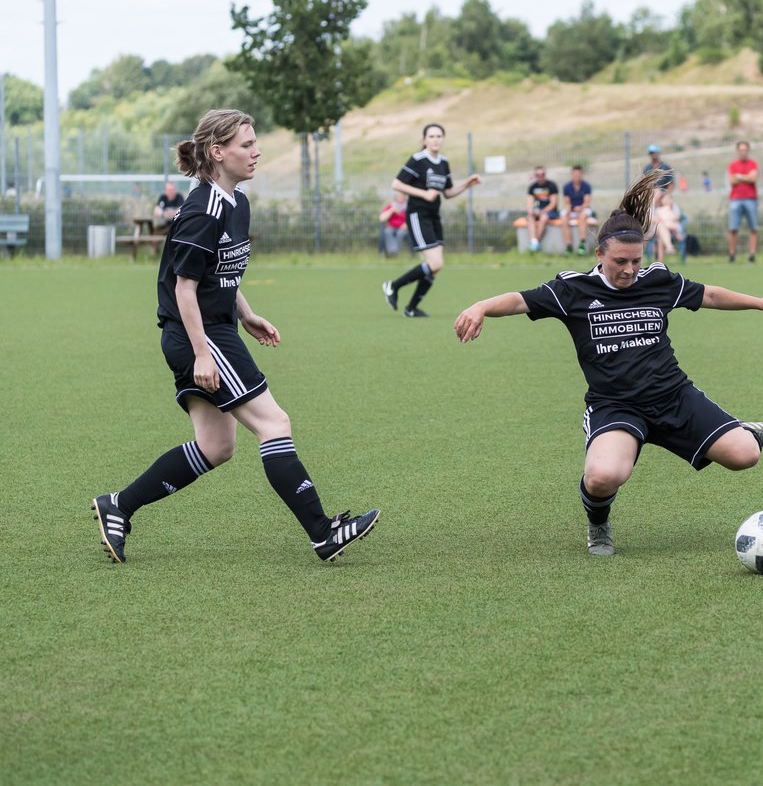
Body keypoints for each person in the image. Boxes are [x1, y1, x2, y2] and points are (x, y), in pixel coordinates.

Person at [90, 108, 380, 564]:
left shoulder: (236, 202)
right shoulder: (201, 208)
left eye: (255, 142)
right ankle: (324, 533)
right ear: (217, 151)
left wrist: (246, 314)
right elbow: (184, 289)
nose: (256, 151)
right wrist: (204, 354)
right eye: (247, 144)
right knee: (274, 424)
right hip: (199, 337)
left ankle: (118, 506)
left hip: (215, 330)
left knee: (216, 447)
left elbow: (219, 272)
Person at [453, 173, 763, 557]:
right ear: (599, 254)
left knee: (745, 456)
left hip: (673, 396)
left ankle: (746, 431)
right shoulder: (573, 289)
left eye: (636, 260)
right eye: (620, 261)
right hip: (616, 406)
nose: (630, 270)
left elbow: (710, 294)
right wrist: (480, 306)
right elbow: (519, 300)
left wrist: (760, 302)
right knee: (602, 477)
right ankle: (598, 524)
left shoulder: (658, 280)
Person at [382, 123, 481, 318]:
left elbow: (448, 193)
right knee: (435, 263)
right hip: (417, 215)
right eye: (431, 136)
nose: (435, 139)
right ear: (424, 140)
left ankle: (411, 308)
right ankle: (393, 286)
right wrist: (423, 194)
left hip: (434, 217)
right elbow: (397, 184)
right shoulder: (418, 159)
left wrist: (467, 184)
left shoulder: (443, 162)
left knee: (435, 268)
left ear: (443, 139)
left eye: (439, 136)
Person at [727, 140, 760, 263]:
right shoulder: (733, 165)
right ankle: (732, 253)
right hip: (735, 199)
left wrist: (739, 176)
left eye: (745, 150)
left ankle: (752, 254)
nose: (743, 152)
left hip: (751, 199)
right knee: (733, 228)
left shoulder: (753, 164)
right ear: (738, 151)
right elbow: (732, 180)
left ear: (748, 150)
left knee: (753, 228)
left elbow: (754, 178)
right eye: (741, 150)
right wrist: (746, 177)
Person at [525, 166, 564, 253]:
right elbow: (530, 203)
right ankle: (534, 243)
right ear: (535, 176)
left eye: (542, 174)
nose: (540, 177)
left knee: (544, 217)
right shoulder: (532, 187)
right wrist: (532, 211)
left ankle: (535, 243)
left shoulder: (551, 186)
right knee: (530, 216)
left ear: (545, 175)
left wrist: (542, 211)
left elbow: (553, 204)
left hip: (550, 212)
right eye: (538, 175)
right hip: (537, 211)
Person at [562, 165, 596, 255]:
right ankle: (568, 245)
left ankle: (582, 243)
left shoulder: (586, 186)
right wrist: (571, 209)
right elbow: (567, 203)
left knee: (583, 215)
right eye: (574, 174)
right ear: (572, 174)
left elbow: (587, 202)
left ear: (581, 174)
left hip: (583, 209)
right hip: (572, 210)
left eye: (578, 174)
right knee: (564, 217)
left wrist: (580, 208)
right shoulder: (567, 187)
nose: (576, 176)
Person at [653, 189, 685, 263]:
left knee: (662, 234)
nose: (666, 200)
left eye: (668, 199)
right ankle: (668, 248)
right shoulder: (658, 209)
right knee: (661, 236)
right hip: (665, 228)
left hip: (671, 227)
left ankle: (660, 261)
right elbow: (658, 219)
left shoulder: (673, 207)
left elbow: (677, 217)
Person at [379, 190, 408, 256]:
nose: (400, 198)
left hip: (403, 227)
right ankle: (392, 252)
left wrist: (407, 224)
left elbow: (410, 218)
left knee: (400, 233)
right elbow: (381, 218)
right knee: (387, 232)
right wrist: (391, 210)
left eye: (402, 196)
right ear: (396, 197)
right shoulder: (391, 206)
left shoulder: (407, 207)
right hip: (392, 227)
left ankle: (396, 252)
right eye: (399, 196)